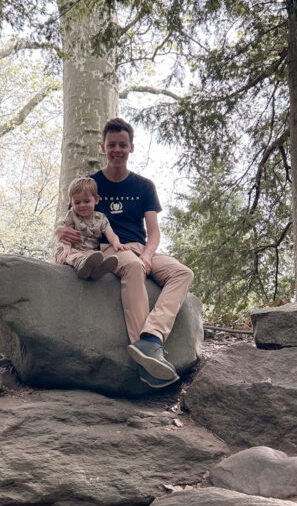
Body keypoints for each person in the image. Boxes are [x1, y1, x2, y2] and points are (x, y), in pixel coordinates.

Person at [56, 117, 194, 389]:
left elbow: (153, 231)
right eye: (112, 145)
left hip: (142, 247)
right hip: (109, 248)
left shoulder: (144, 186)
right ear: (103, 148)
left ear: (131, 148)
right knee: (132, 266)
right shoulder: (89, 183)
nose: (117, 149)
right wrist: (60, 234)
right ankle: (146, 356)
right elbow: (69, 220)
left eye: (123, 144)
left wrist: (147, 255)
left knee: (182, 272)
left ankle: (151, 339)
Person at [55, 176, 128, 279]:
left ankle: (98, 270)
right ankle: (81, 266)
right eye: (77, 202)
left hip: (89, 252)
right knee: (73, 255)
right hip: (71, 248)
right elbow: (66, 235)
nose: (82, 205)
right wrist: (67, 249)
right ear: (71, 203)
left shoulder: (101, 218)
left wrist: (116, 243)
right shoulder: (72, 215)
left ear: (96, 200)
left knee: (97, 256)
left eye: (86, 201)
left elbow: (110, 234)